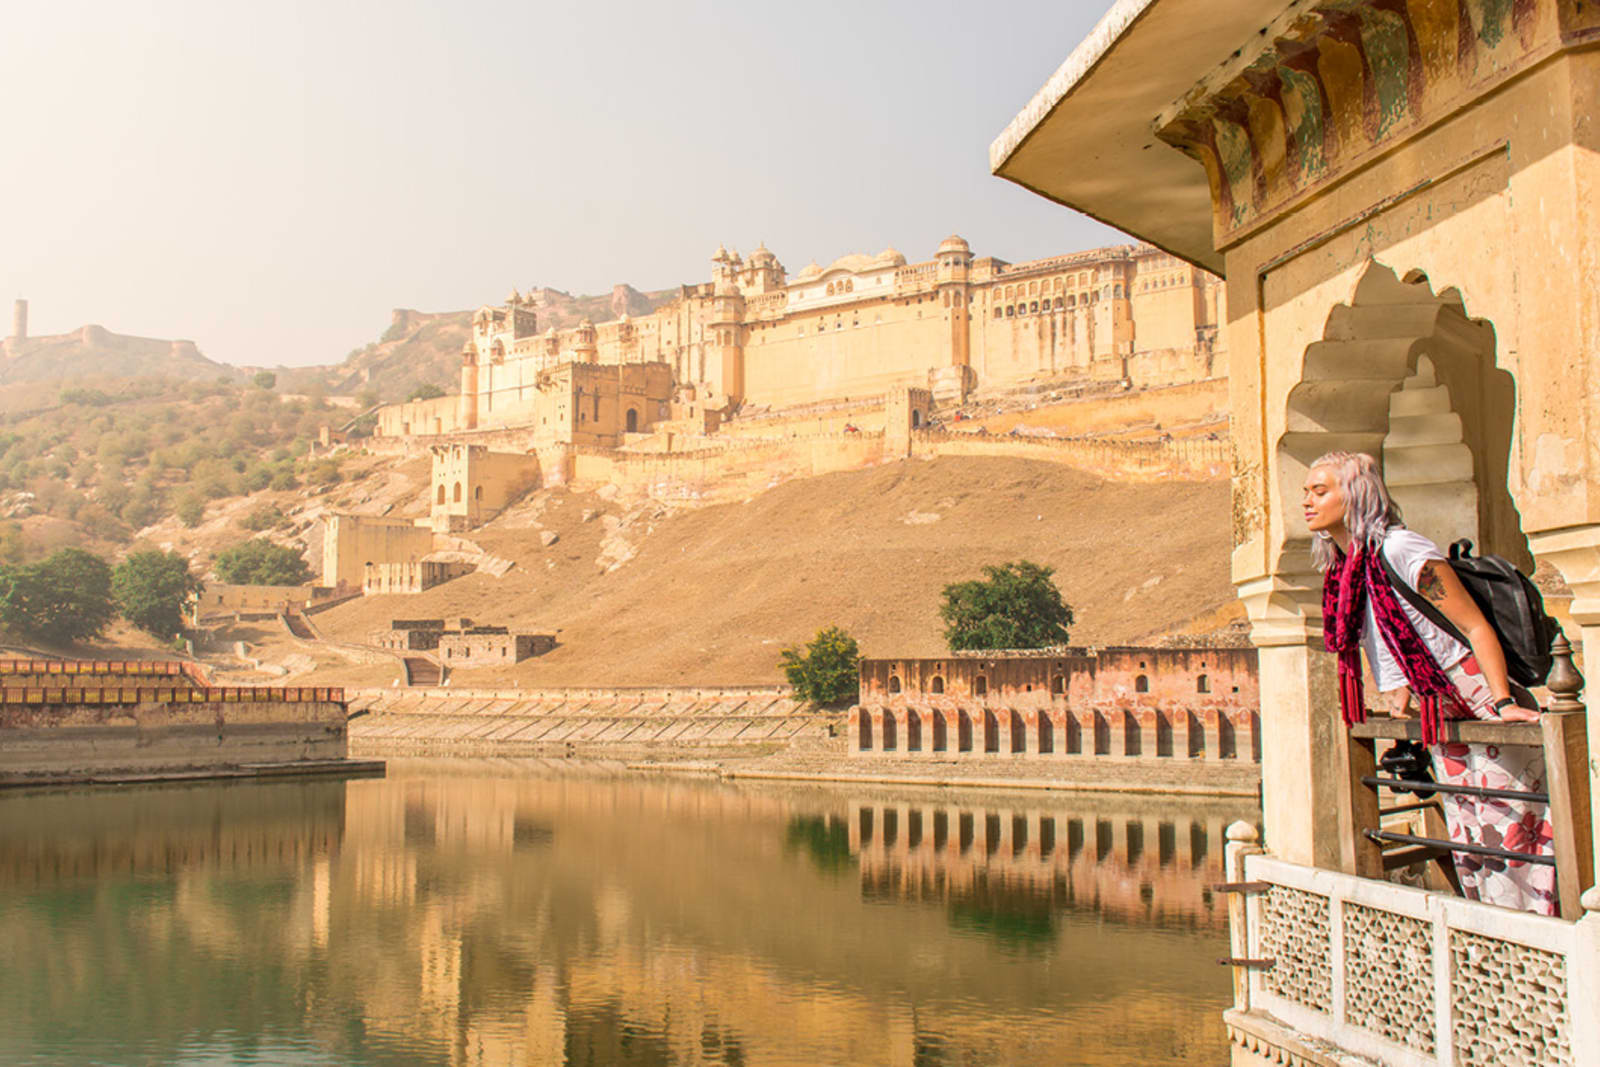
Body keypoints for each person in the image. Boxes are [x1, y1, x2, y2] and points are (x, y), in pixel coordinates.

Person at [1302, 451, 1556, 915]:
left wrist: (1501, 703)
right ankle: (1493, 943)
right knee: (1471, 834)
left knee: (1514, 823)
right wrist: (1400, 693)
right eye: (1306, 492)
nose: (1308, 501)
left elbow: (1475, 627)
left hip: (1474, 690)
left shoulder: (1401, 550)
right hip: (1438, 705)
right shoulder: (1348, 568)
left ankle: (1540, 938)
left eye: (1321, 491)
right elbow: (1389, 637)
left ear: (1355, 494)